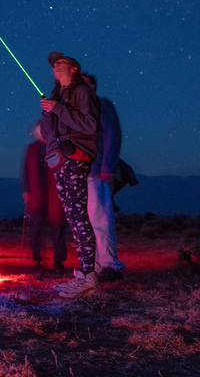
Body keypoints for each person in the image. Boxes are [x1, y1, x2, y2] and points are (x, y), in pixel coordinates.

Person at [40, 51, 100, 299]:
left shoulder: (82, 92)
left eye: (61, 61)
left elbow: (90, 125)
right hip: (60, 159)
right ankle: (83, 274)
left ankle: (89, 276)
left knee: (78, 214)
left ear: (74, 68)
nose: (56, 64)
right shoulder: (57, 96)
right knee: (72, 216)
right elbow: (47, 133)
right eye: (54, 63)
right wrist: (48, 112)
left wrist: (60, 109)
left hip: (77, 156)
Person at [82, 73, 126, 282]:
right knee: (88, 222)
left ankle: (109, 265)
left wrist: (107, 166)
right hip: (83, 173)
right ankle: (95, 265)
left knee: (101, 219)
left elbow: (112, 133)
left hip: (98, 171)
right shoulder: (80, 109)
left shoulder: (101, 105)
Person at [21, 121, 67, 272]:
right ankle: (37, 258)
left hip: (54, 194)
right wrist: (27, 190)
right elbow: (26, 171)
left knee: (57, 228)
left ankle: (59, 260)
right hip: (37, 194)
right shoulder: (32, 149)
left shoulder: (57, 146)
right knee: (36, 229)